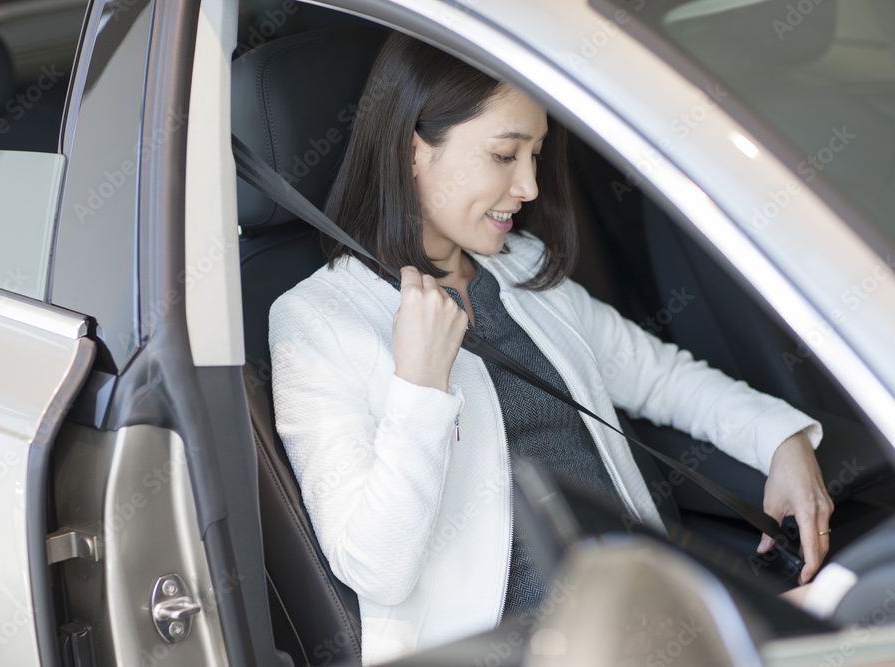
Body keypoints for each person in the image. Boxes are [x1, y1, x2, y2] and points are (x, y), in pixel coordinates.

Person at [268, 32, 834, 666]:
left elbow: (658, 378)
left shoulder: (521, 267)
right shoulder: (315, 321)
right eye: (505, 155)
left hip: (638, 608)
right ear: (413, 151)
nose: (530, 185)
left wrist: (781, 440)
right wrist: (420, 387)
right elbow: (376, 569)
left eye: (535, 155)